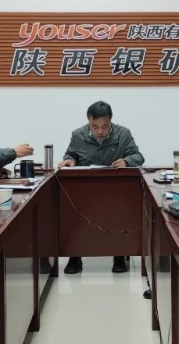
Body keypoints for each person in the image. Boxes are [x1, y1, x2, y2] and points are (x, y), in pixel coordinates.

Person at [58, 101, 144, 274]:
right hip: (85, 188)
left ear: (110, 121)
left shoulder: (123, 133)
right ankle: (75, 256)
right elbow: (70, 155)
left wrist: (127, 161)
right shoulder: (78, 135)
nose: (99, 131)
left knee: (120, 212)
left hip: (115, 188)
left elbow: (138, 156)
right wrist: (70, 161)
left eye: (104, 126)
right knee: (72, 212)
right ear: (88, 121)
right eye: (95, 126)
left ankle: (119, 255)